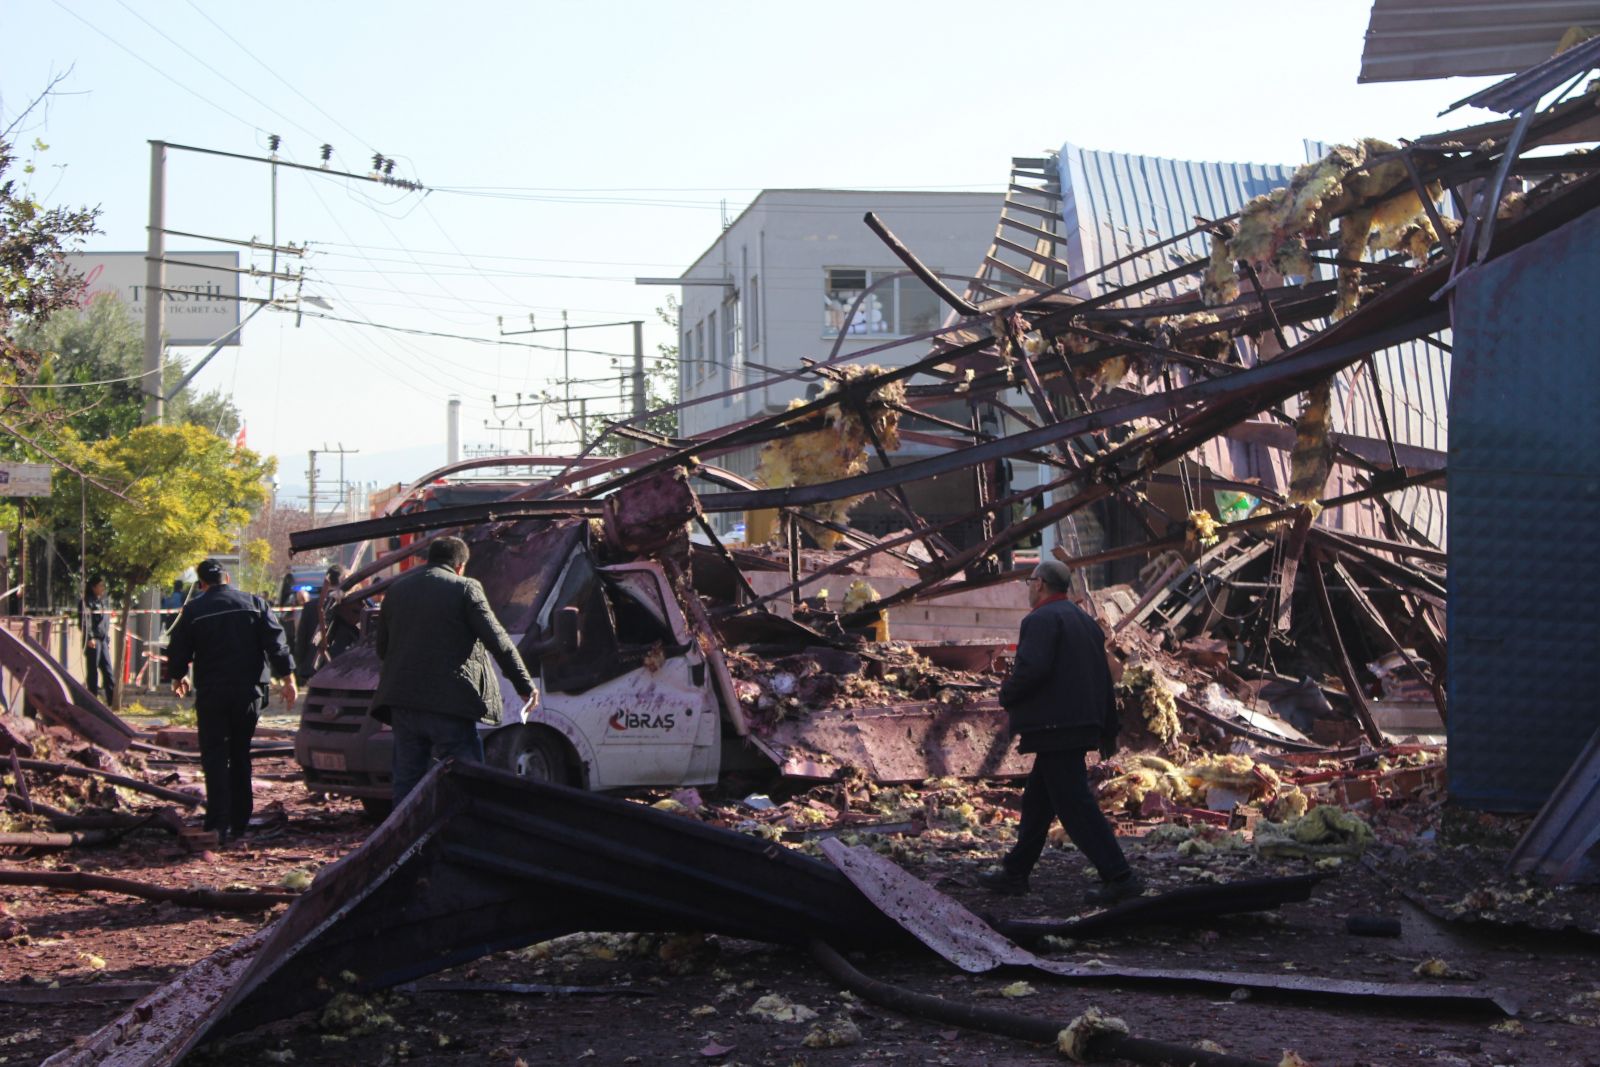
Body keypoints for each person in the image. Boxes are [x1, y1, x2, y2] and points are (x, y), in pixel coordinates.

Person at [977, 560, 1143, 903]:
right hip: (1078, 723)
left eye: (1030, 581)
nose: (1029, 587)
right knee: (1038, 801)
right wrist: (1106, 724)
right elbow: (1103, 677)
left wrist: (1007, 694)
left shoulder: (1039, 619)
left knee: (1073, 804)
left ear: (1039, 584)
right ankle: (1015, 873)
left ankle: (1120, 876)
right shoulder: (1085, 622)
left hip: (1056, 726)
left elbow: (1032, 670)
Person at [371, 535, 535, 802]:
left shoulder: (397, 590)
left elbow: (382, 649)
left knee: (407, 782)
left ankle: (407, 829)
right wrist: (524, 685)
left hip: (402, 703)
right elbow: (498, 641)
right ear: (460, 566)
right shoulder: (465, 588)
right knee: (467, 779)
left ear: (429, 560)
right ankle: (467, 826)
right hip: (448, 704)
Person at [166, 558, 297, 844]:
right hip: (249, 692)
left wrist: (178, 676)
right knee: (240, 754)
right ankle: (240, 822)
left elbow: (179, 648)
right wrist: (288, 678)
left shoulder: (194, 610)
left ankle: (217, 822)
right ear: (227, 578)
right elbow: (276, 643)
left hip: (212, 692)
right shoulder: (255, 604)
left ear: (201, 584)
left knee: (214, 756)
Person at [80, 577, 114, 701]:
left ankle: (112, 701)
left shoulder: (102, 602)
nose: (102, 588)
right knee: (93, 672)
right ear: (93, 587)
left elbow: (105, 622)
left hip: (103, 640)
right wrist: (89, 637)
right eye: (100, 586)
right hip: (93, 641)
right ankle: (92, 700)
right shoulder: (86, 602)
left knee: (108, 671)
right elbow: (85, 622)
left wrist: (106, 638)